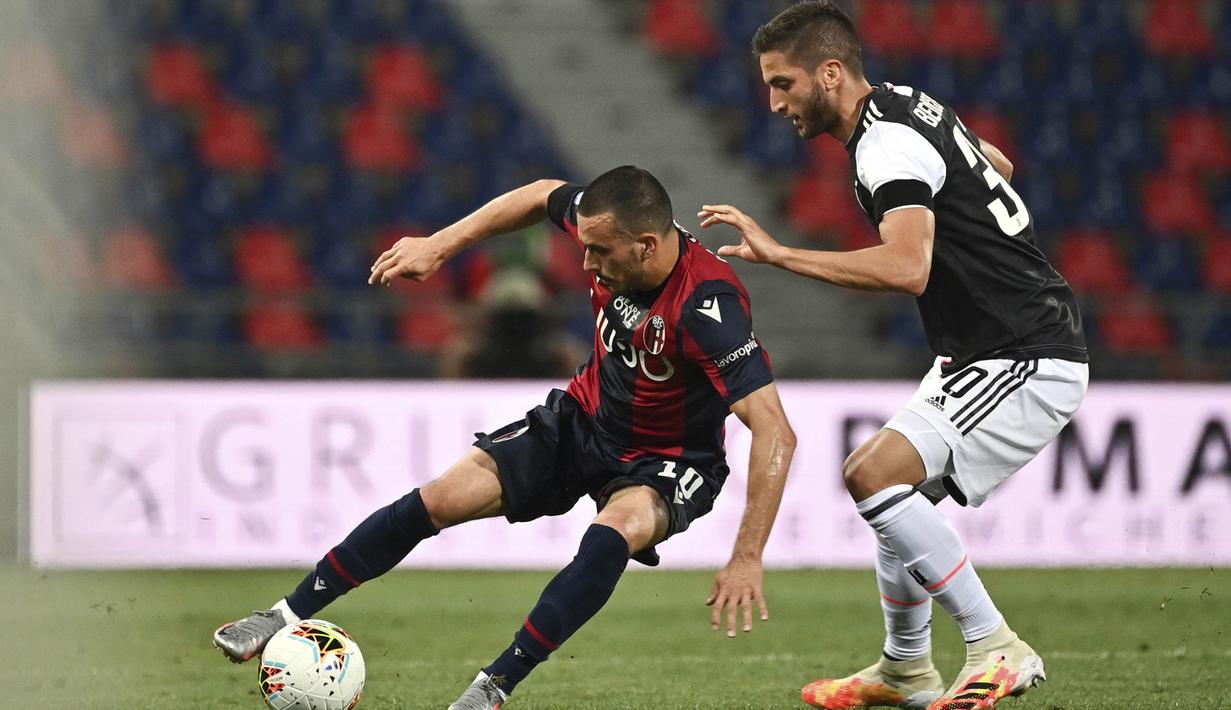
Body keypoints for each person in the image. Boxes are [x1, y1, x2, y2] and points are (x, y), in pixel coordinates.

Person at [213, 166, 797, 710]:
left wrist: (747, 557)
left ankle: (493, 686)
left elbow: (775, 429)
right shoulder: (607, 223)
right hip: (584, 418)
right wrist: (440, 245)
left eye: (600, 251)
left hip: (668, 458)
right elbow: (541, 193)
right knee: (440, 497)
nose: (587, 262)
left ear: (647, 245)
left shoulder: (709, 306)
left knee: (614, 532)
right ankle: (281, 615)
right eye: (585, 245)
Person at [697, 3, 1089, 709]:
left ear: (830, 72)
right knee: (894, 493)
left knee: (871, 474)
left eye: (783, 83)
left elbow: (907, 268)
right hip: (980, 348)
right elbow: (995, 164)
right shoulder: (906, 103)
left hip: (1022, 350)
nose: (774, 102)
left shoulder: (883, 145)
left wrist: (779, 254)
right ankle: (906, 668)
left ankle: (995, 645)